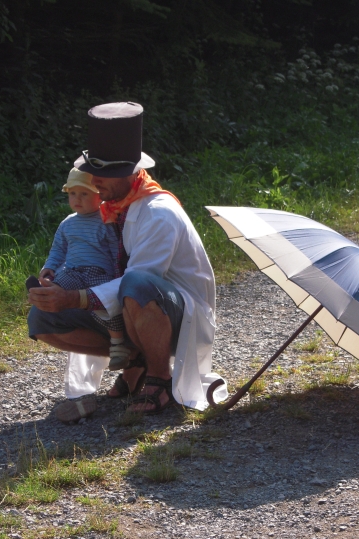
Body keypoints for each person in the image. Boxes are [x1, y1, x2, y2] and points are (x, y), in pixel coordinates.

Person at [27, 101, 225, 421]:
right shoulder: (112, 207)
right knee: (42, 319)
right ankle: (136, 360)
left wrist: (75, 297)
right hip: (131, 311)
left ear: (128, 172)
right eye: (93, 171)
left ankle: (160, 378)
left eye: (104, 174)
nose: (94, 180)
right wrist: (56, 285)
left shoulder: (158, 212)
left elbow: (138, 280)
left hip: (179, 317)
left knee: (136, 283)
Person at [36, 166, 130, 371]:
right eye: (72, 194)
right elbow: (58, 250)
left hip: (99, 273)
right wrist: (49, 267)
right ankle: (44, 297)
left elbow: (116, 250)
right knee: (54, 288)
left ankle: (117, 344)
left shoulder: (106, 220)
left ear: (99, 196)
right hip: (73, 271)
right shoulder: (67, 224)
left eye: (84, 194)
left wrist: (116, 276)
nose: (77, 199)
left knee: (107, 304)